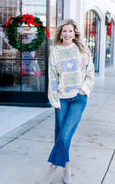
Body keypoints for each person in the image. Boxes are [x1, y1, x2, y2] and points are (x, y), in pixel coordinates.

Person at [42, 19, 95, 184]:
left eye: (70, 31)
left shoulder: (82, 49)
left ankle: (52, 169)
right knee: (61, 134)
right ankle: (68, 166)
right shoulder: (55, 51)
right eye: (64, 31)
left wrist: (83, 90)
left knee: (65, 133)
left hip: (78, 99)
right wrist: (54, 99)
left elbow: (90, 71)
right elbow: (52, 77)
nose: (67, 34)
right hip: (61, 99)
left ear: (74, 33)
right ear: (60, 33)